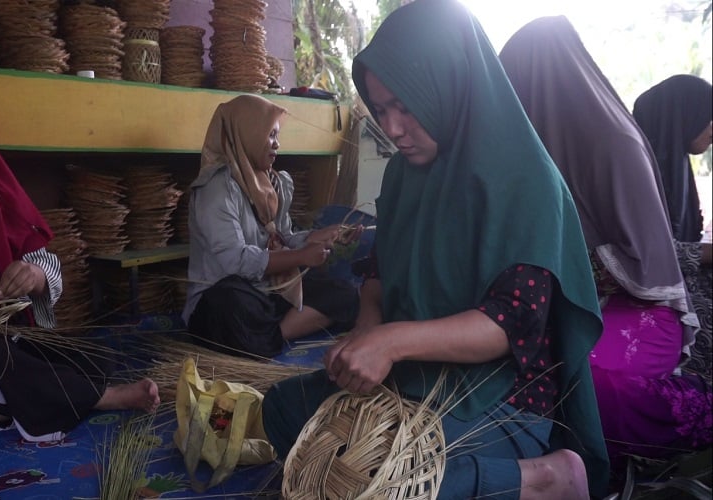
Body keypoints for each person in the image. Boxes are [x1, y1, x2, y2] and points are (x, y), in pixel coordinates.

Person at [261, 1, 609, 499]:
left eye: (406, 105)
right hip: (410, 376)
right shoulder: (405, 175)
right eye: (381, 110)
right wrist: (367, 329)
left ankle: (542, 478)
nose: (394, 128)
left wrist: (392, 343)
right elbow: (381, 269)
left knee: (380, 485)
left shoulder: (525, 182)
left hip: (496, 395)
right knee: (282, 409)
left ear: (450, 83)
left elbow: (508, 326)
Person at [498, 15, 710, 471]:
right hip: (563, 304)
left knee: (577, 377)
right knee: (505, 368)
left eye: (512, 79)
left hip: (640, 310)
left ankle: (698, 414)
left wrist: (555, 270)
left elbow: (645, 265)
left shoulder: (615, 147)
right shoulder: (527, 149)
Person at [0, 71, 159, 443]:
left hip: (3, 336)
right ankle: (104, 399)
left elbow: (48, 265)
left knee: (93, 358)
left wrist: (35, 274)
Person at [181, 94, 360, 358]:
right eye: (271, 135)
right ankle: (267, 332)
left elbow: (284, 236)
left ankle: (272, 335)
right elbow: (234, 262)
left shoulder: (273, 183)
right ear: (248, 134)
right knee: (230, 303)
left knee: (344, 292)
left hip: (268, 290)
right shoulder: (217, 187)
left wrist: (318, 237)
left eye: (277, 136)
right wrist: (300, 257)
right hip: (227, 298)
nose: (277, 144)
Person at [633, 74, 712, 243]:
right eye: (707, 119)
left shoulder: (678, 166)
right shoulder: (637, 174)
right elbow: (652, 253)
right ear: (684, 118)